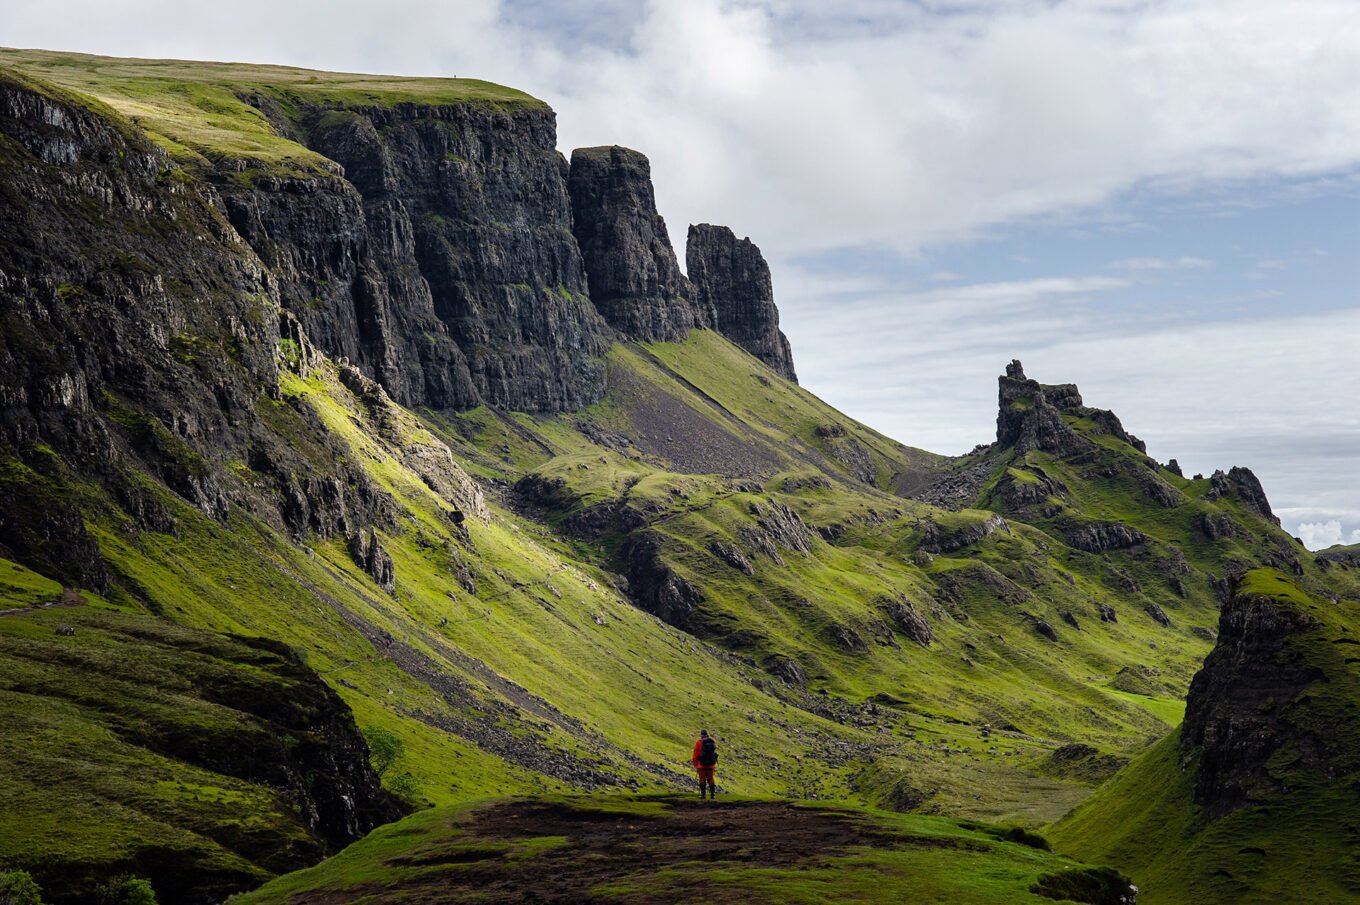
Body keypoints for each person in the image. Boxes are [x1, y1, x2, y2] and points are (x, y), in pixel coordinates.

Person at [692, 729, 718, 799]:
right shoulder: (712, 742)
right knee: (711, 779)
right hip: (711, 764)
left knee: (702, 779)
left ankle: (703, 795)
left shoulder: (698, 743)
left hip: (701, 764)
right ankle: (712, 795)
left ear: (701, 735)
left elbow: (695, 754)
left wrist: (695, 764)